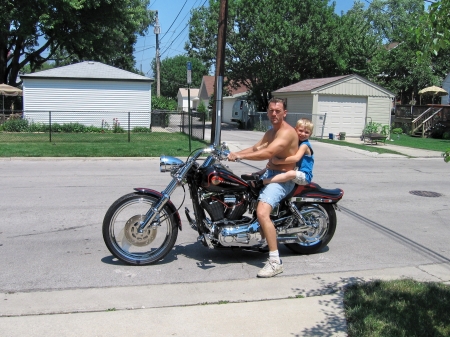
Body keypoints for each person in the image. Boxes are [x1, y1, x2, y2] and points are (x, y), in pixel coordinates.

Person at [228, 97, 298, 278]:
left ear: (284, 113)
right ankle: (260, 235)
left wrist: (239, 157)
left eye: (278, 111)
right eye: (271, 110)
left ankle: (275, 262)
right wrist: (234, 154)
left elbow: (267, 153)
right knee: (243, 190)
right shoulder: (271, 131)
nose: (274, 114)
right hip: (270, 173)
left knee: (262, 212)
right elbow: (256, 148)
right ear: (267, 112)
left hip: (282, 180)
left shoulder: (286, 133)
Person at [256, 118, 314, 187]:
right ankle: (257, 174)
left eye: (306, 132)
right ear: (295, 129)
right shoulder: (295, 141)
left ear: (310, 134)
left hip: (305, 176)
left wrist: (278, 161)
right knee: (271, 166)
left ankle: (265, 181)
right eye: (300, 131)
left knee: (290, 173)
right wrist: (261, 147)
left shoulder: (305, 145)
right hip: (297, 170)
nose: (303, 134)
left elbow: (296, 158)